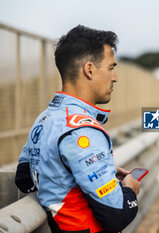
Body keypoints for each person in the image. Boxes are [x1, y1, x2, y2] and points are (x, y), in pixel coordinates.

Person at [15, 25, 140, 233]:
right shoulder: (83, 130)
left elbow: (25, 178)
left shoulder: (44, 118)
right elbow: (117, 215)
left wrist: (88, 173)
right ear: (89, 69)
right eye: (111, 67)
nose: (115, 77)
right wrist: (129, 190)